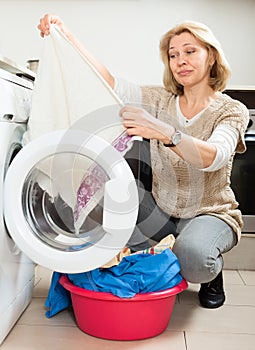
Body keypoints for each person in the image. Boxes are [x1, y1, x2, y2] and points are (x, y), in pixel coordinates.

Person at [38, 14, 249, 309]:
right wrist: (67, 34)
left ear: (211, 57)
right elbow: (108, 82)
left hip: (209, 211)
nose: (180, 61)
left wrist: (166, 132)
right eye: (173, 55)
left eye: (190, 51)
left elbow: (215, 156)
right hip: (162, 209)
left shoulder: (231, 109)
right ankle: (167, 250)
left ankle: (206, 267)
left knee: (194, 259)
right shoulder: (159, 98)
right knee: (113, 196)